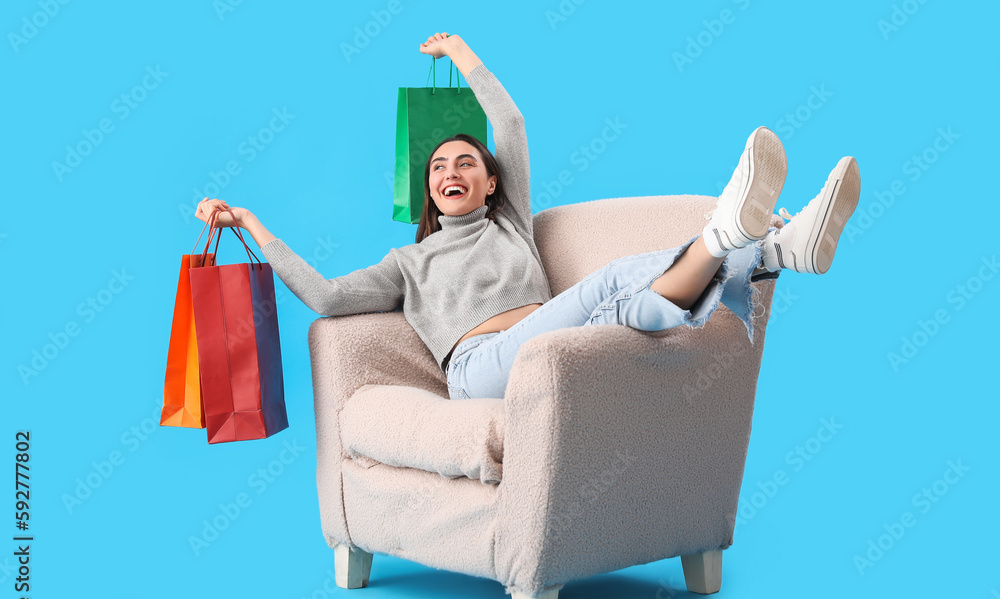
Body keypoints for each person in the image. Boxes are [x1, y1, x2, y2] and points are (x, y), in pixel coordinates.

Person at [196, 32, 861, 401]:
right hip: (479, 369)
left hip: (552, 345)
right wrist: (252, 224)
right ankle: (741, 240)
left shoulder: (509, 221)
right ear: (430, 192)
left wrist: (461, 54)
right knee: (611, 280)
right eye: (437, 168)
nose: (449, 172)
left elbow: (510, 121)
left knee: (623, 309)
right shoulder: (410, 262)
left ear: (491, 183)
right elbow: (325, 295)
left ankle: (779, 252)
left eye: (465, 163)